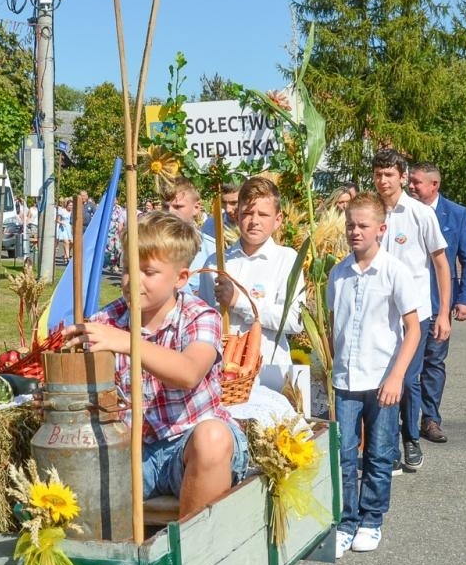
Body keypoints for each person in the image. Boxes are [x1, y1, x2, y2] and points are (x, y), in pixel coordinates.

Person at [65, 212, 249, 518]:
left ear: (181, 278)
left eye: (148, 272)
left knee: (213, 438)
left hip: (189, 447)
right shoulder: (105, 321)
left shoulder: (200, 317)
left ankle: (193, 543)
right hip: (133, 451)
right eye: (127, 269)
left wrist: (128, 342)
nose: (133, 280)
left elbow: (189, 373)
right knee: (75, 463)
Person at [327, 192, 420, 556]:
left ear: (381, 229)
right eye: (350, 225)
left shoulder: (394, 272)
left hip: (382, 380)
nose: (355, 232)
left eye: (363, 226)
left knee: (379, 454)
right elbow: (334, 323)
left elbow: (412, 329)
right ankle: (346, 520)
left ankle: (372, 518)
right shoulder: (338, 273)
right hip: (346, 380)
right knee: (344, 454)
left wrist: (397, 376)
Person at [370, 148, 451, 474]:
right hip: (380, 312)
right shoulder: (371, 212)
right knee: (383, 375)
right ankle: (387, 446)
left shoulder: (420, 214)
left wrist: (443, 312)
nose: (383, 181)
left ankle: (410, 439)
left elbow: (441, 264)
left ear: (402, 177)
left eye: (389, 174)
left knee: (406, 377)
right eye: (378, 174)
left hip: (415, 312)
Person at [407, 162, 466, 445]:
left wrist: (464, 299)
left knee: (434, 362)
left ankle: (430, 419)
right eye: (410, 181)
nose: (410, 186)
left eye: (416, 182)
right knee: (406, 364)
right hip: (408, 303)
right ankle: (404, 418)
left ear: (434, 185)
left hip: (440, 303)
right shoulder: (403, 211)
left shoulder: (456, 214)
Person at [209, 175, 305, 366]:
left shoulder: (287, 259)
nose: (254, 221)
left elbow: (295, 320)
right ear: (237, 215)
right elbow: (207, 320)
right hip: (224, 370)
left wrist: (239, 302)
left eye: (263, 215)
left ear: (277, 220)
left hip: (269, 369)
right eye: (247, 213)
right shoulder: (216, 263)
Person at [163, 178, 217, 298]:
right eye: (165, 207)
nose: (170, 212)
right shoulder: (150, 245)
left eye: (178, 206)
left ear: (196, 208)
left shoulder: (212, 250)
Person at [55, 197, 73, 263]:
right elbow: (57, 220)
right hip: (63, 228)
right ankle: (67, 258)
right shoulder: (62, 211)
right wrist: (62, 222)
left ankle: (66, 254)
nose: (71, 207)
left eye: (72, 205)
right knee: (66, 242)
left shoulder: (72, 212)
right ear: (67, 205)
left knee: (71, 242)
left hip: (70, 228)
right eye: (69, 205)